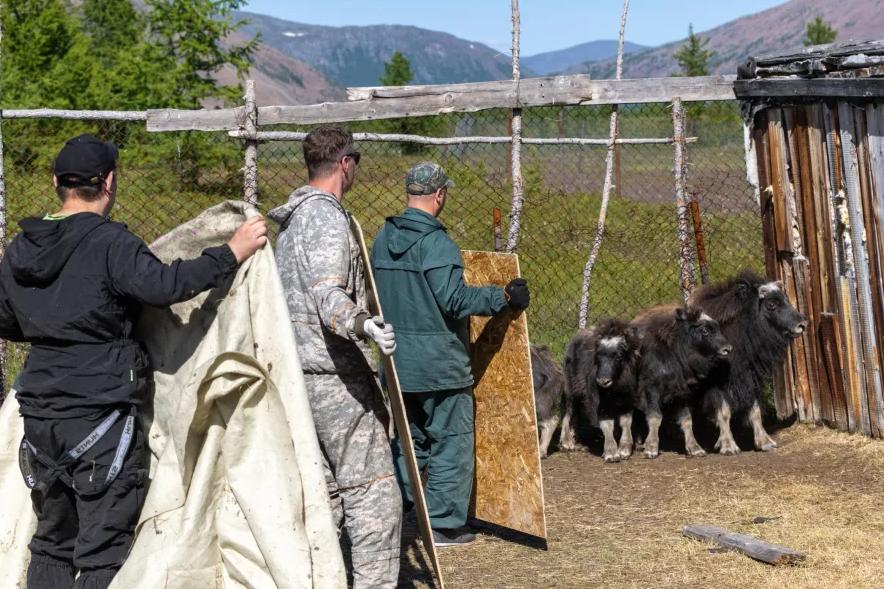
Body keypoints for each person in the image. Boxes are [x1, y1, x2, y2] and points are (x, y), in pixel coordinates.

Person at [0, 134, 268, 589]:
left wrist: (55, 324)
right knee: (103, 548)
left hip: (41, 415)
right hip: (101, 418)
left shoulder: (21, 248)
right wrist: (231, 252)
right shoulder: (111, 243)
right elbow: (165, 286)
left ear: (55, 183)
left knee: (52, 540)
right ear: (108, 182)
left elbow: (8, 321)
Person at [268, 125, 402, 588]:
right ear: (345, 163)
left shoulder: (289, 223)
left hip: (295, 378)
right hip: (332, 380)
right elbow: (329, 296)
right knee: (374, 497)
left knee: (324, 500)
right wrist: (365, 325)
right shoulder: (324, 218)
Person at [370, 162, 530, 547]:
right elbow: (454, 300)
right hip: (439, 365)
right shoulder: (436, 243)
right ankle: (442, 524)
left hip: (397, 363)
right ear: (439, 194)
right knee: (450, 442)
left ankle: (398, 506)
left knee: (410, 440)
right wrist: (503, 297)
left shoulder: (380, 238)